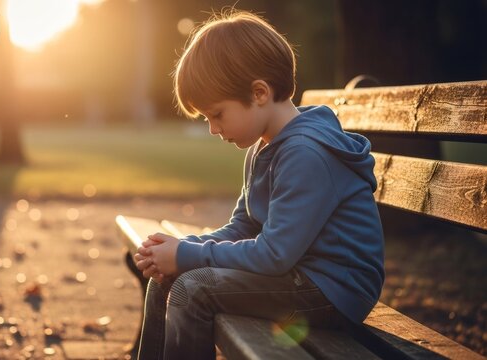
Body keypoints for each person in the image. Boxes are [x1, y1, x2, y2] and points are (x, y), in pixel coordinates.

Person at [133, 9, 385, 360]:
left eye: (217, 114)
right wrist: (181, 248)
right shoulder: (263, 147)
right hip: (295, 276)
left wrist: (186, 256)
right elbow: (244, 225)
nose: (213, 129)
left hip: (332, 291)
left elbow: (273, 254)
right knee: (168, 279)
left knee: (193, 288)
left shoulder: (305, 154)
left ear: (260, 93)